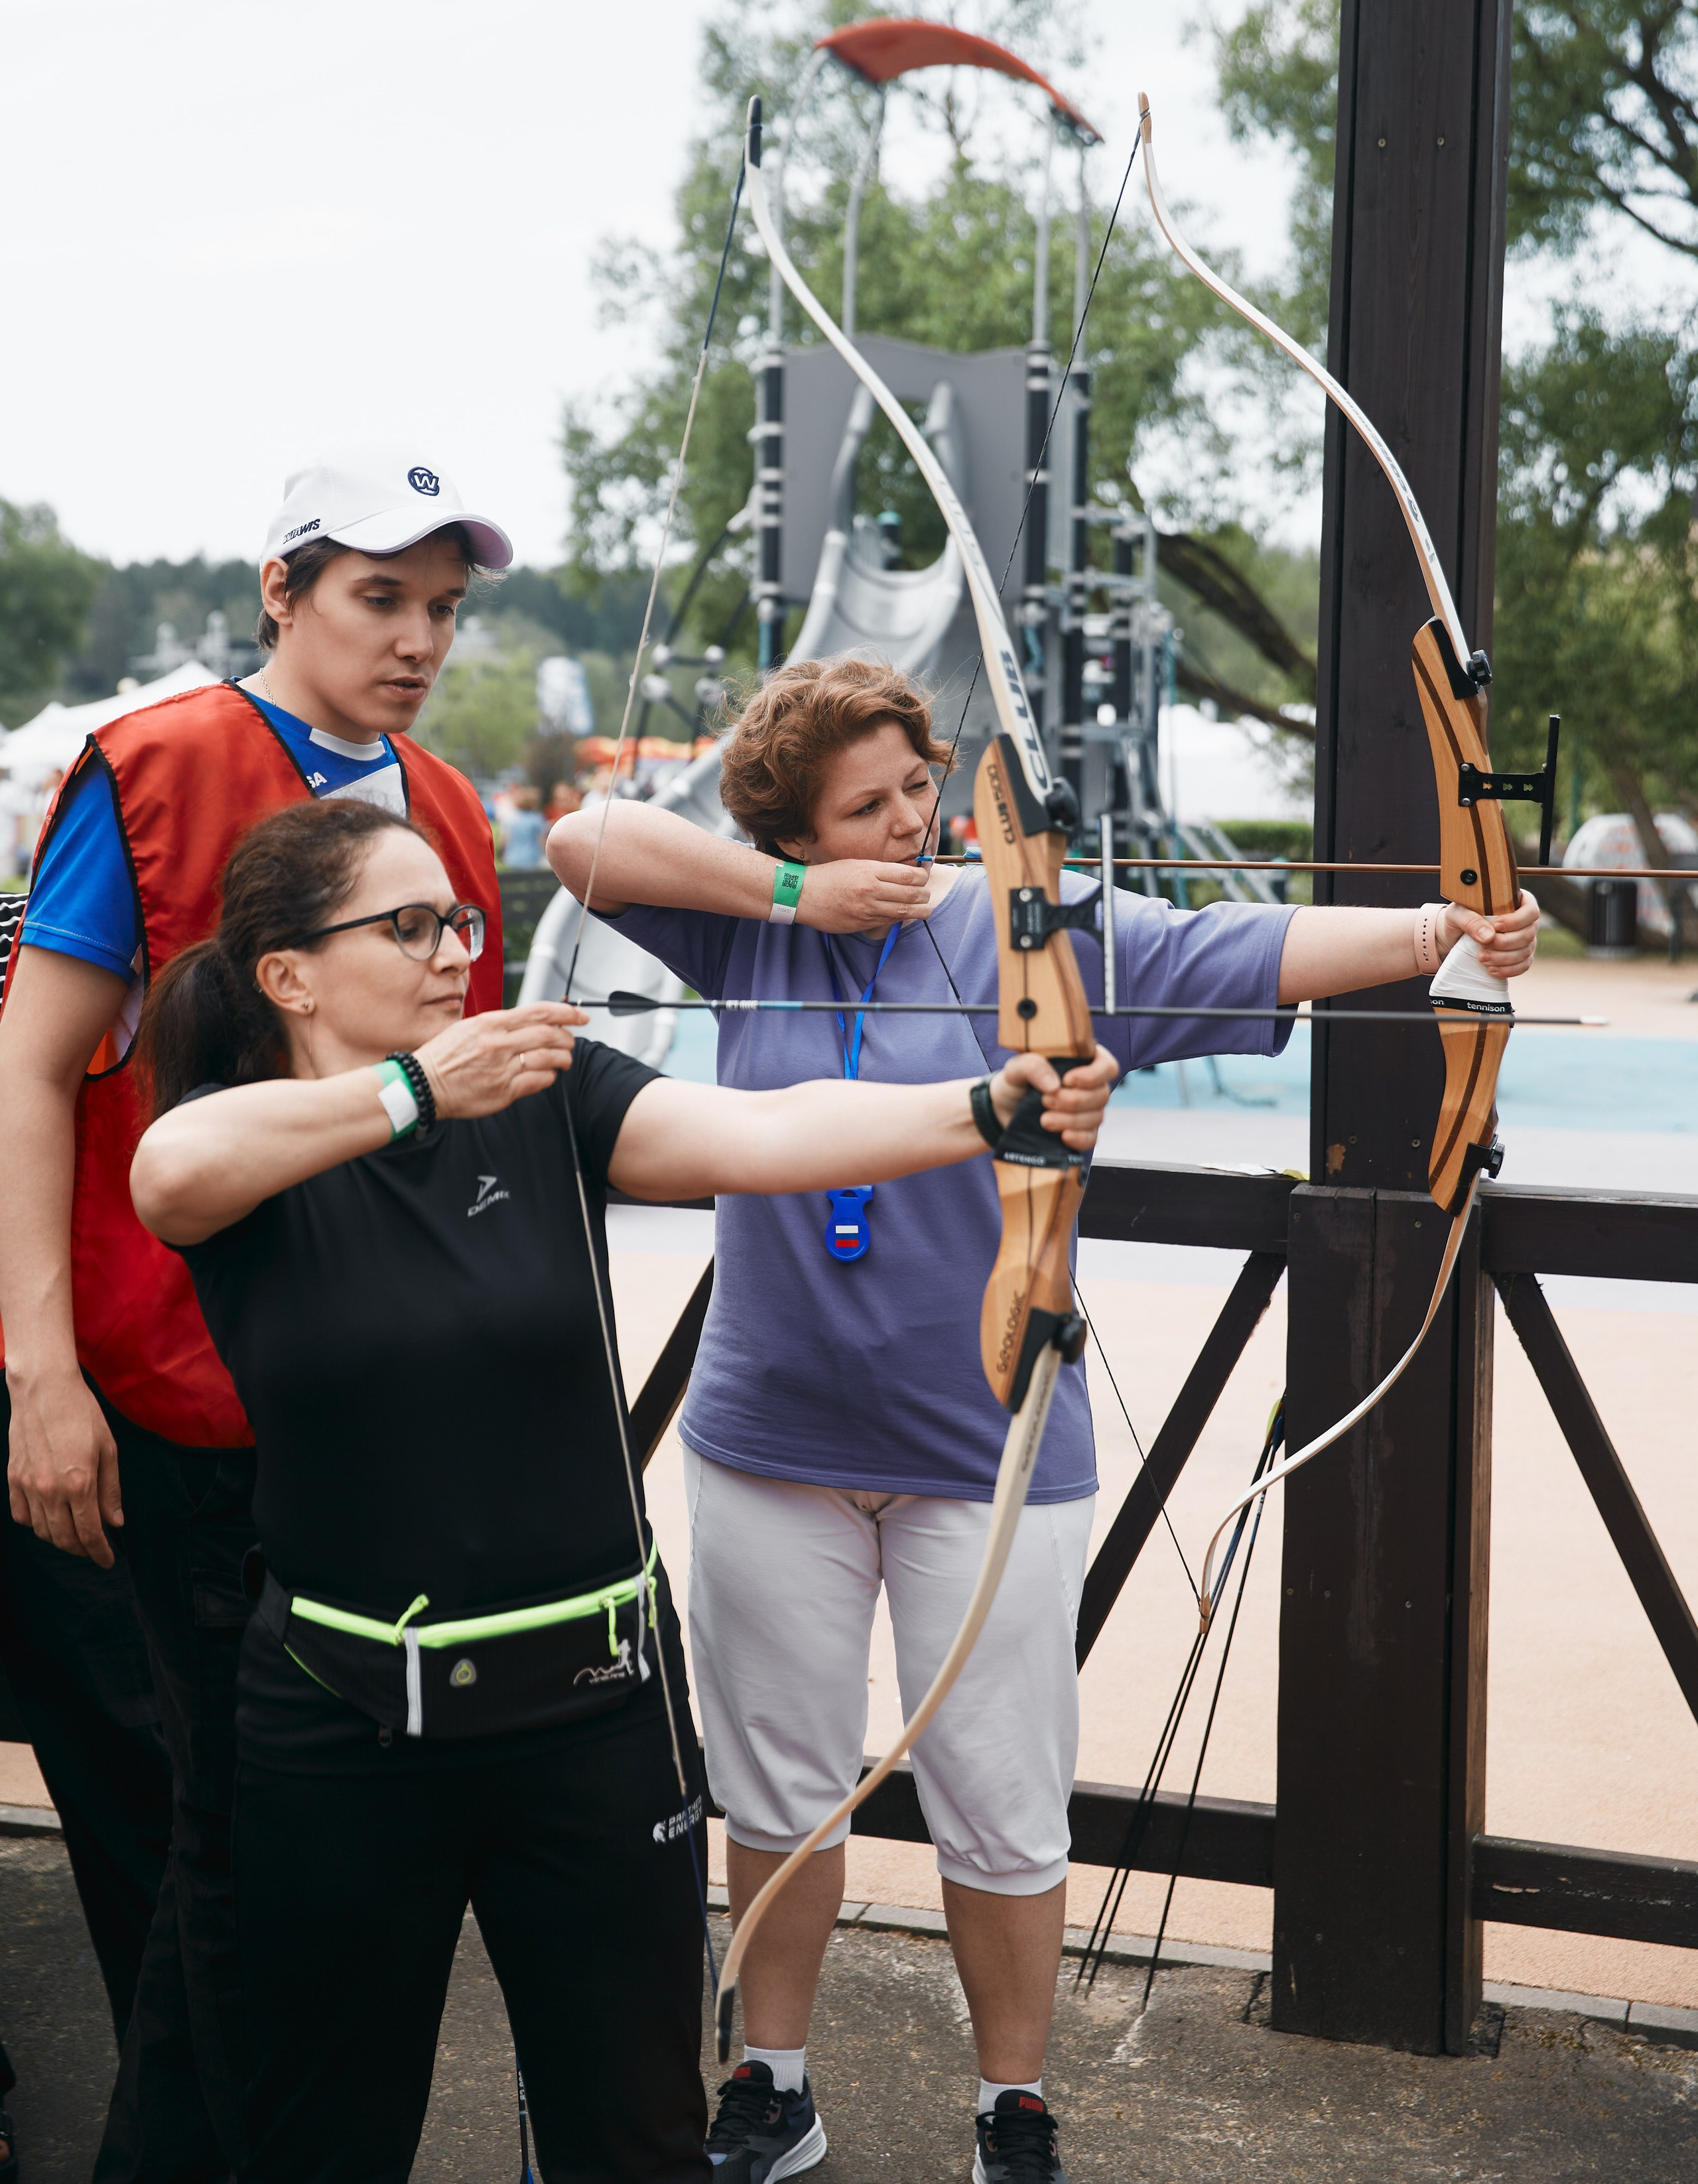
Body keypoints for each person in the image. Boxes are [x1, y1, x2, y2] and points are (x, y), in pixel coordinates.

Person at [549, 654, 1541, 2184]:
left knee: (1000, 1798)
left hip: (986, 1445)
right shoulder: (749, 921)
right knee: (780, 1787)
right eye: (860, 807)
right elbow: (582, 840)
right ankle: (772, 2079)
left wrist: (1441, 929)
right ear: (795, 829)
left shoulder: (1034, 929)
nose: (906, 824)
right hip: (769, 1441)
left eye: (916, 792)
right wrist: (791, 896)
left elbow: (1240, 945)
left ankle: (1010, 2103)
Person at [125, 795, 1118, 2183]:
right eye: (406, 926)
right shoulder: (250, 1141)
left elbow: (770, 1132)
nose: (451, 953)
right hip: (342, 1724)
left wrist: (981, 1104)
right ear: (287, 973)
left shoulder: (552, 1095)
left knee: (635, 2134)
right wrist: (414, 1091)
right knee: (320, 2130)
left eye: (459, 922)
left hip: (592, 1720)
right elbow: (165, 1177)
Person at [0, 450, 511, 2178]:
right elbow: (30, 1069)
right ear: (282, 587)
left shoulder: (449, 808)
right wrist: (40, 1375)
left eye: (443, 604)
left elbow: (459, 1110)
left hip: (370, 1421)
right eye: (381, 594)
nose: (419, 635)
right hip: (186, 1398)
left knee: (286, 1858)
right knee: (220, 1849)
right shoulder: (151, 770)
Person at [501, 783, 547, 868]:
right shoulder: (537, 819)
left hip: (512, 858)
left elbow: (505, 840)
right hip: (531, 858)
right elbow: (542, 841)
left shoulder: (510, 819)